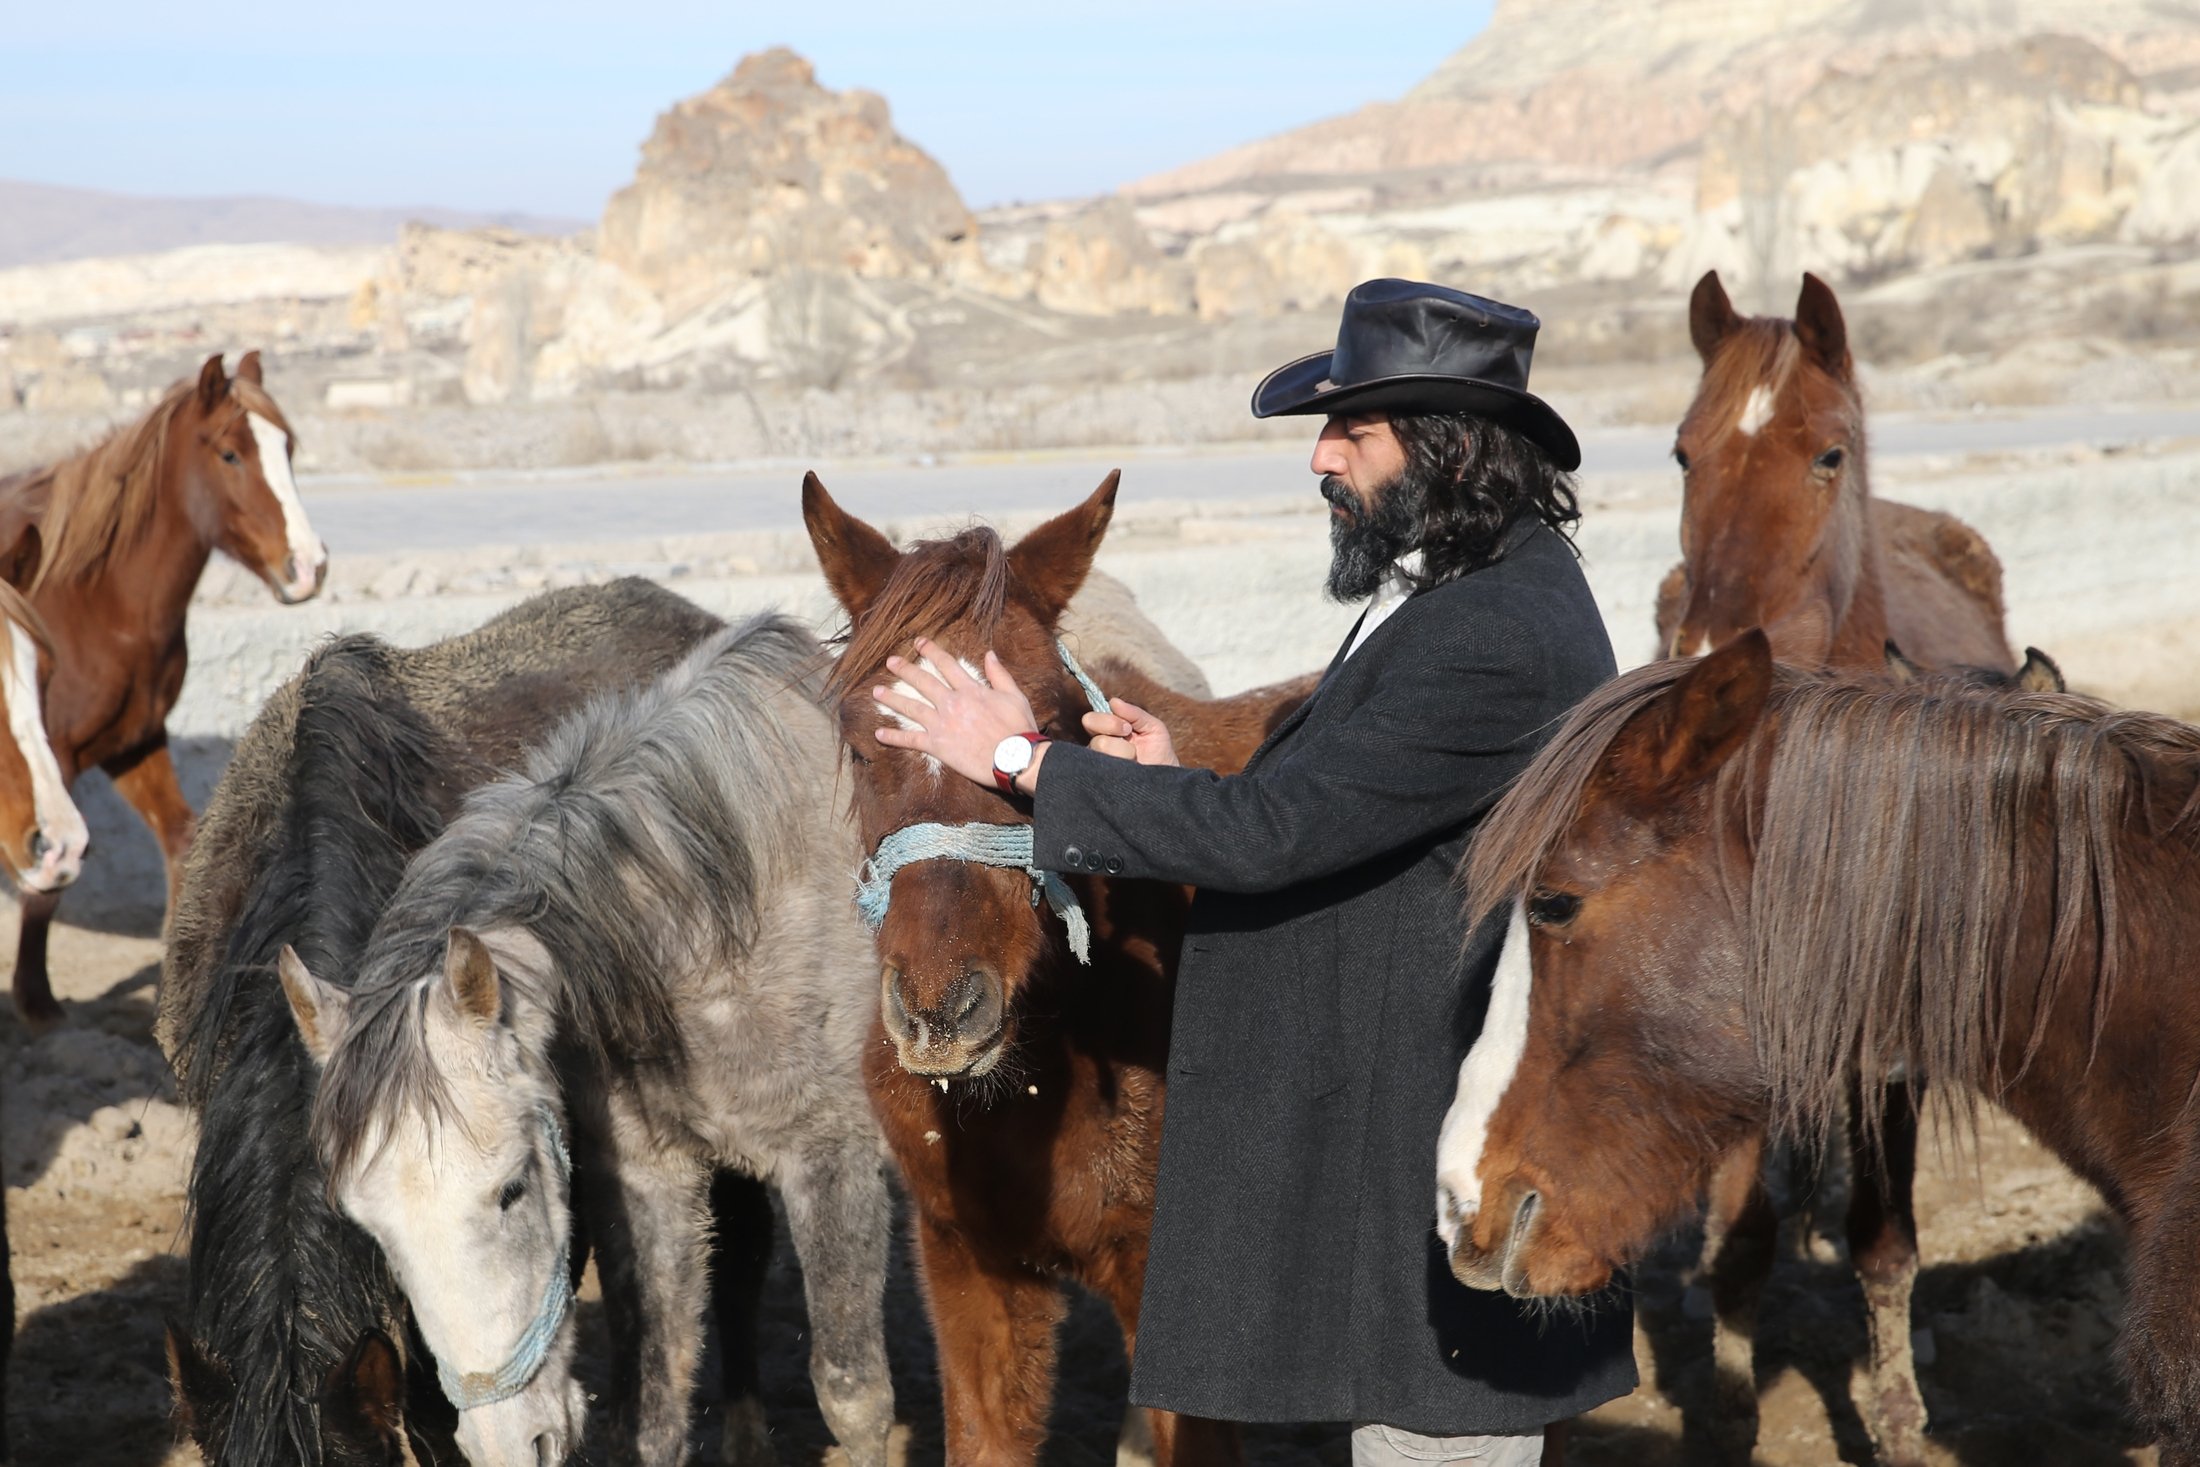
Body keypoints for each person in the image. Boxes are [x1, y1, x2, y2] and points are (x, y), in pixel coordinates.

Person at [870, 279, 1636, 1466]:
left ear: (1447, 449)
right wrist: (1170, 772)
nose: (1320, 459)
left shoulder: (1491, 632)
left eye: (1351, 433)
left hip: (1418, 1132)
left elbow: (1276, 837)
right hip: (1392, 1116)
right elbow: (1342, 806)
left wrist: (1019, 758)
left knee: (1433, 1442)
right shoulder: (1460, 588)